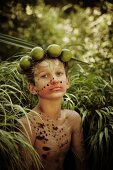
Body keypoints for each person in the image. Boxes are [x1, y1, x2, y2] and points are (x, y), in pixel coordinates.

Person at [18, 46, 88, 170]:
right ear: (32, 88)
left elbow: (81, 162)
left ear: (67, 82)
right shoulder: (28, 124)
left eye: (59, 73)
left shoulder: (73, 119)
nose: (54, 80)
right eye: (44, 76)